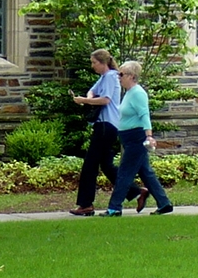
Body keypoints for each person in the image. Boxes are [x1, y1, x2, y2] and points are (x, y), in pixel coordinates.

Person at [101, 61, 173, 215]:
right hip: (128, 138)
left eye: (121, 74)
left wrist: (149, 136)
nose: (118, 77)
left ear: (132, 76)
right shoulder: (129, 93)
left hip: (136, 138)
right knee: (146, 172)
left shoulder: (138, 93)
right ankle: (164, 203)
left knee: (124, 173)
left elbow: (144, 115)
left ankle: (114, 208)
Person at [70, 49, 125, 216]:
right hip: (104, 125)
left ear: (103, 63)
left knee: (90, 165)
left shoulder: (110, 76)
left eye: (94, 62)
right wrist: (88, 97)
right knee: (106, 164)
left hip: (106, 125)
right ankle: (134, 191)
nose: (92, 65)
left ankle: (86, 204)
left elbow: (106, 99)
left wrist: (85, 101)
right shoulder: (103, 78)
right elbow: (92, 91)